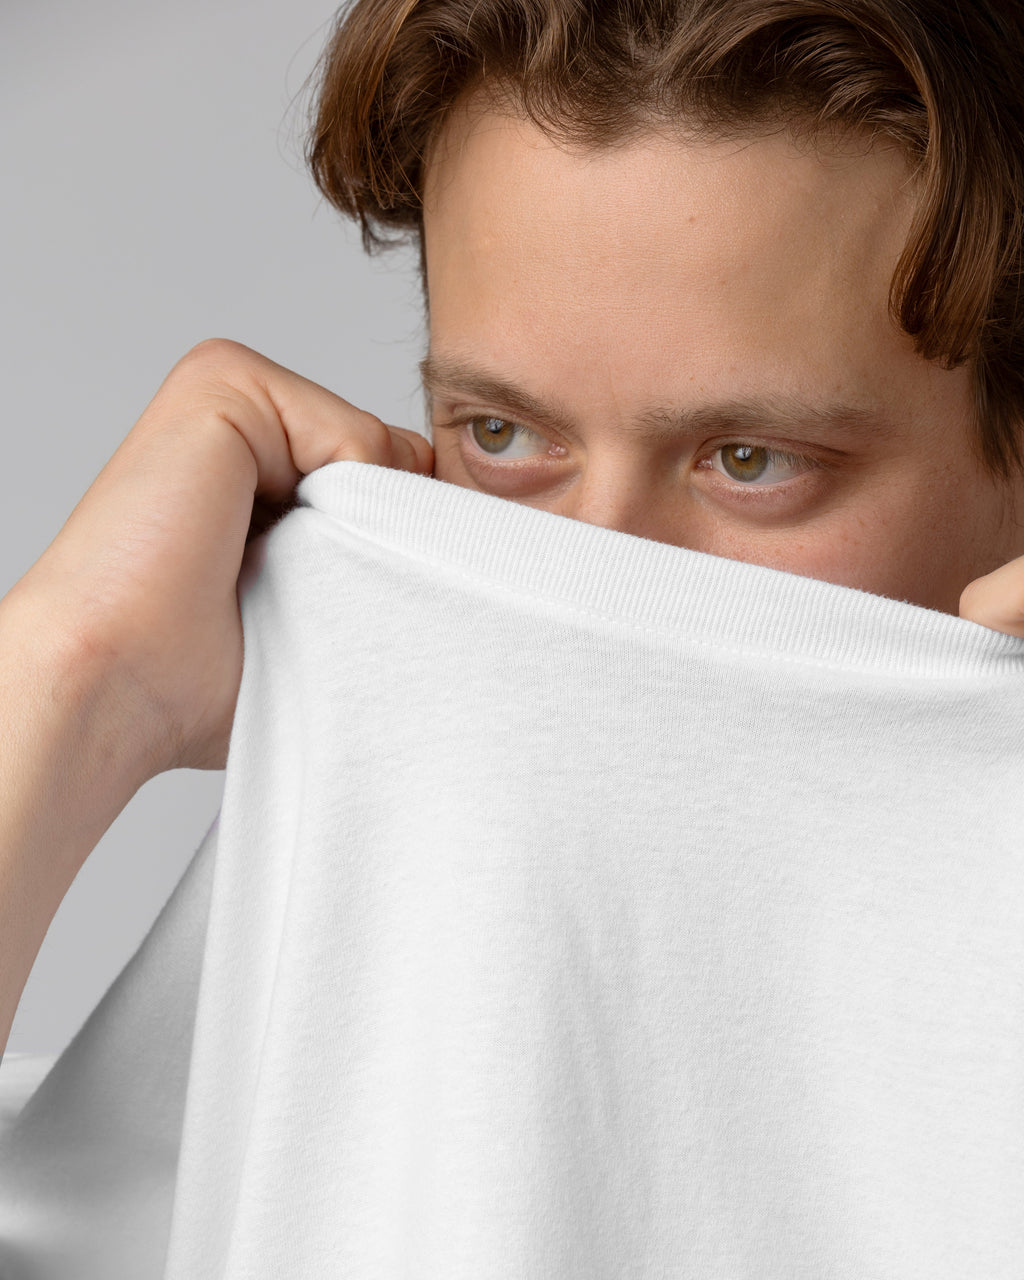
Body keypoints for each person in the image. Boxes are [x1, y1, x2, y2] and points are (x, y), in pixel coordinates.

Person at [1, 0, 1022, 1071]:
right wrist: (76, 675)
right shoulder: (295, 1061)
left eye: (751, 460)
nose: (595, 574)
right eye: (504, 435)